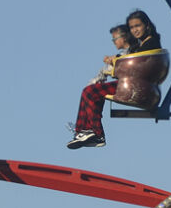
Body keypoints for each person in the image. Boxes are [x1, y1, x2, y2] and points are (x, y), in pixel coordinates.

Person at [68, 9, 161, 149]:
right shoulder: (142, 44)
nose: (135, 30)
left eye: (138, 26)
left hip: (136, 86)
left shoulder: (150, 43)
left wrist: (116, 61)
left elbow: (135, 63)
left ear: (146, 25)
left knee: (89, 92)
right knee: (91, 92)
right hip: (134, 83)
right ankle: (85, 131)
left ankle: (94, 133)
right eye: (132, 27)